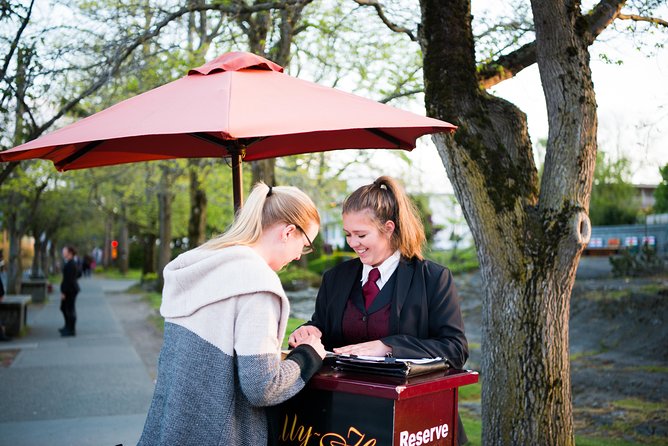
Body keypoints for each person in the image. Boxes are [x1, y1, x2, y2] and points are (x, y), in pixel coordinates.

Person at [139, 182, 326, 446]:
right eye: (306, 244)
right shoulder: (258, 284)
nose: (299, 256)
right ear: (288, 232)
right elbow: (262, 387)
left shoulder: (201, 266)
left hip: (171, 428)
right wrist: (308, 355)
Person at [289, 175, 469, 444]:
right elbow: (323, 328)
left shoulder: (432, 278)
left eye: (361, 235)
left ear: (388, 228)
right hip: (344, 424)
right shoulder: (335, 278)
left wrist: (388, 346)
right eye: (348, 234)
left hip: (417, 423)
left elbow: (455, 349)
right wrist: (307, 332)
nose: (353, 243)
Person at [59, 245, 80, 337]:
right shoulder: (70, 263)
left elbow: (68, 280)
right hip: (70, 289)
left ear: (70, 253)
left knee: (69, 309)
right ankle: (67, 327)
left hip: (70, 290)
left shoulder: (71, 264)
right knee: (64, 308)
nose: (63, 253)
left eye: (65, 251)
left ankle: (71, 329)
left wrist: (64, 292)